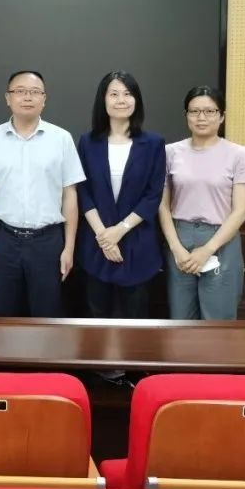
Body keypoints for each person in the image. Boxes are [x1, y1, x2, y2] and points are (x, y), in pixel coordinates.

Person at [0, 70, 84, 318]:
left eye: (34, 92)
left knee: (47, 315)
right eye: (20, 91)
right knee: (5, 315)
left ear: (44, 99)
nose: (27, 97)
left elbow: (70, 195)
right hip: (3, 239)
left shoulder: (61, 139)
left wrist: (69, 248)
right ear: (8, 98)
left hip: (48, 242)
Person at [159, 85, 245, 320]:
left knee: (218, 321)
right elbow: (162, 205)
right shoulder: (170, 152)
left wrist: (207, 249)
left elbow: (240, 212)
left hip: (220, 240)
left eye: (209, 111)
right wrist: (176, 248)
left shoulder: (239, 155)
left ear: (221, 116)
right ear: (186, 115)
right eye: (194, 111)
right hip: (179, 239)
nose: (201, 117)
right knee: (181, 319)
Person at [76, 71, 166, 320]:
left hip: (137, 241)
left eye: (128, 94)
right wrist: (104, 237)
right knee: (96, 316)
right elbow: (83, 191)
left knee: (136, 318)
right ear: (103, 100)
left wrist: (120, 230)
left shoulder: (154, 143)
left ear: (136, 100)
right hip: (97, 242)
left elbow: (153, 195)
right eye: (114, 94)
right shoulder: (87, 142)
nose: (121, 100)